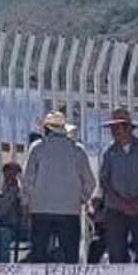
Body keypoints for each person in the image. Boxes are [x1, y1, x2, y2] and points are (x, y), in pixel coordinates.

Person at [22, 111, 96, 263]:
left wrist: (29, 200)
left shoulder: (38, 147)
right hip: (69, 210)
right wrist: (80, 198)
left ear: (46, 129)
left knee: (39, 255)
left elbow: (27, 179)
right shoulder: (77, 150)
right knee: (69, 256)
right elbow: (90, 181)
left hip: (41, 208)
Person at [98, 108, 138, 263]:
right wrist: (121, 204)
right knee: (116, 253)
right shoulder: (109, 153)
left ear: (129, 128)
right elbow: (105, 181)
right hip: (116, 210)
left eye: (117, 127)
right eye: (112, 128)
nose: (114, 131)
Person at [0, 162, 27, 263]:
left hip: (28, 229)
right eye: (8, 175)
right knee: (2, 234)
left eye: (14, 175)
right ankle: (4, 267)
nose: (11, 179)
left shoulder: (27, 192)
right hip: (10, 229)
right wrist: (11, 194)